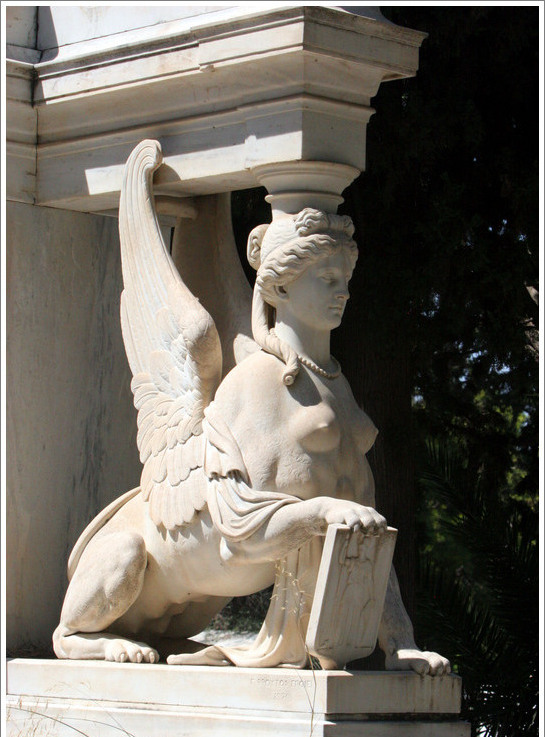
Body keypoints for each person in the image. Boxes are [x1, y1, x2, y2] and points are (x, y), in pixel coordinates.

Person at [53, 140, 449, 675]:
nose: (344, 292)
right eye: (327, 279)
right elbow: (241, 530)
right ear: (280, 286)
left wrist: (400, 644)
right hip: (134, 581)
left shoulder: (333, 385)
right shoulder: (258, 382)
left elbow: (368, 539)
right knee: (124, 557)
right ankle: (76, 637)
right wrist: (323, 512)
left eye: (346, 278)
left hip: (187, 614)